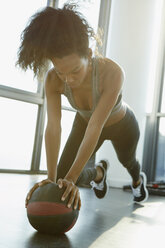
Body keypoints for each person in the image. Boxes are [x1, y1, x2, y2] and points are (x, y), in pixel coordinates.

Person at [16, 4, 148, 211]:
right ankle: (99, 174)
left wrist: (72, 177)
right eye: (61, 72)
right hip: (84, 123)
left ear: (88, 53)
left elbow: (96, 125)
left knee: (128, 161)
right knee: (61, 181)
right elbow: (53, 127)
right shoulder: (52, 80)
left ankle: (137, 181)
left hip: (122, 125)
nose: (68, 80)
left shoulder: (112, 72)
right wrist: (52, 179)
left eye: (75, 70)